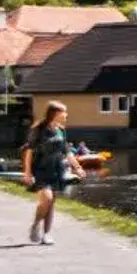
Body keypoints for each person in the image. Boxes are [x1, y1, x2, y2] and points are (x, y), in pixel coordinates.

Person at [19, 100, 83, 246]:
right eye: (64, 112)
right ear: (55, 113)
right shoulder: (39, 130)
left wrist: (77, 167)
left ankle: (46, 234)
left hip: (57, 169)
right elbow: (28, 151)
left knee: (51, 202)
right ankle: (36, 225)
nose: (66, 115)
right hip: (41, 169)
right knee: (46, 198)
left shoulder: (61, 129)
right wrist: (27, 172)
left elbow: (66, 151)